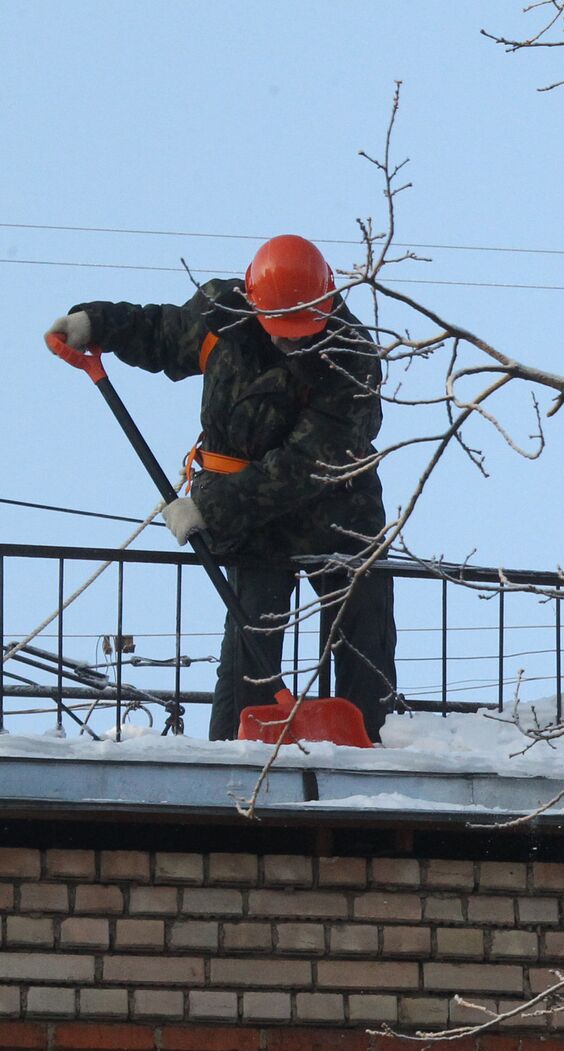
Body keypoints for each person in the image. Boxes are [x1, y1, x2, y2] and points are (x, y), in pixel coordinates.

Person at [47, 235, 399, 742]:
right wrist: (97, 322)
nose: (292, 340)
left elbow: (308, 463)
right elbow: (163, 331)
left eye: (304, 328)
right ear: (255, 307)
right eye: (282, 329)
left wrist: (209, 506)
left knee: (362, 627)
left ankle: (373, 745)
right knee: (250, 640)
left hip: (337, 512)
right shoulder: (223, 319)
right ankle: (235, 757)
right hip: (251, 524)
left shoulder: (350, 357)